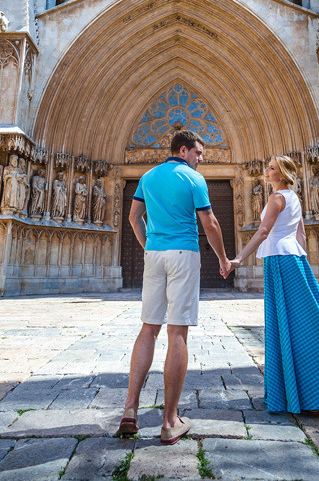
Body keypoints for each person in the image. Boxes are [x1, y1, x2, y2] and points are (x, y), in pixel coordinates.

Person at [231, 155, 319, 413]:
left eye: (271, 168)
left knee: (286, 324)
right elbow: (302, 234)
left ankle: (305, 393)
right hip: (295, 259)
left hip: (279, 260)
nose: (266, 170)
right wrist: (303, 266)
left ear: (282, 175)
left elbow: (263, 232)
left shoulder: (276, 198)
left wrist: (239, 258)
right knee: (307, 323)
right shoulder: (294, 197)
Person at [117, 130, 232, 445]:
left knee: (148, 329)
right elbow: (209, 223)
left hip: (154, 255)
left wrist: (148, 246)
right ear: (184, 150)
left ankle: (130, 409)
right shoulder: (192, 179)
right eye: (198, 153)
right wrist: (222, 258)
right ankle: (169, 421)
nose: (200, 160)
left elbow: (133, 217)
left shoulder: (148, 177)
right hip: (183, 253)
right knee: (177, 332)